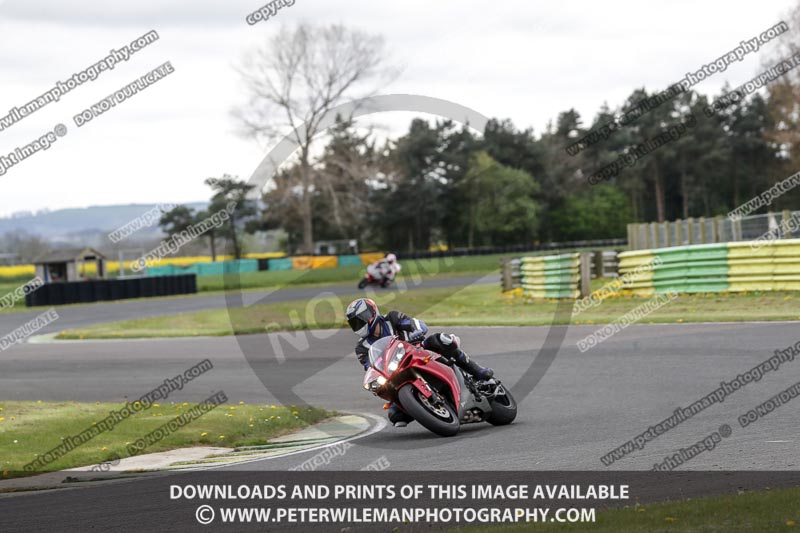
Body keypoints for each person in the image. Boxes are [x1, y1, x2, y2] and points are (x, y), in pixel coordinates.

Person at [345, 297, 493, 427]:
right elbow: (370, 366)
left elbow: (414, 323)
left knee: (440, 340)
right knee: (395, 416)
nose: (360, 324)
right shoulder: (361, 348)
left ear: (372, 312)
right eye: (355, 323)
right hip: (395, 371)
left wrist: (416, 331)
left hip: (418, 351)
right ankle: (427, 408)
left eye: (361, 319)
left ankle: (477, 370)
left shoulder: (392, 318)